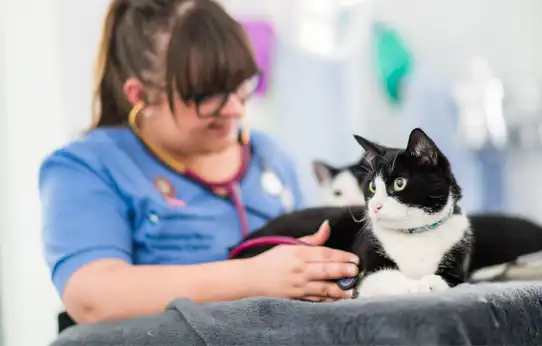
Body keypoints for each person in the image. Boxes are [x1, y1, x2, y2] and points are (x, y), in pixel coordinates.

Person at [39, 0, 359, 326]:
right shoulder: (89, 166)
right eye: (207, 95)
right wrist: (252, 277)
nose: (234, 109)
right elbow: (92, 298)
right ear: (140, 96)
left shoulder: (268, 156)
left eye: (241, 85)